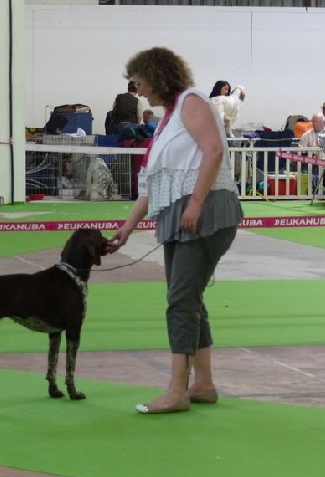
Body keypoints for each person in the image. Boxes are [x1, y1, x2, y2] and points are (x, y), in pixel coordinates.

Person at [108, 47, 243, 415]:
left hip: (205, 213)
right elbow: (151, 186)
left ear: (158, 76)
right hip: (180, 215)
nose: (140, 90)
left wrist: (197, 202)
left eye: (140, 82)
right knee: (188, 296)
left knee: (180, 299)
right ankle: (204, 384)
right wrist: (125, 230)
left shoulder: (192, 101)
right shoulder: (168, 119)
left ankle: (176, 389)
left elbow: (214, 151)